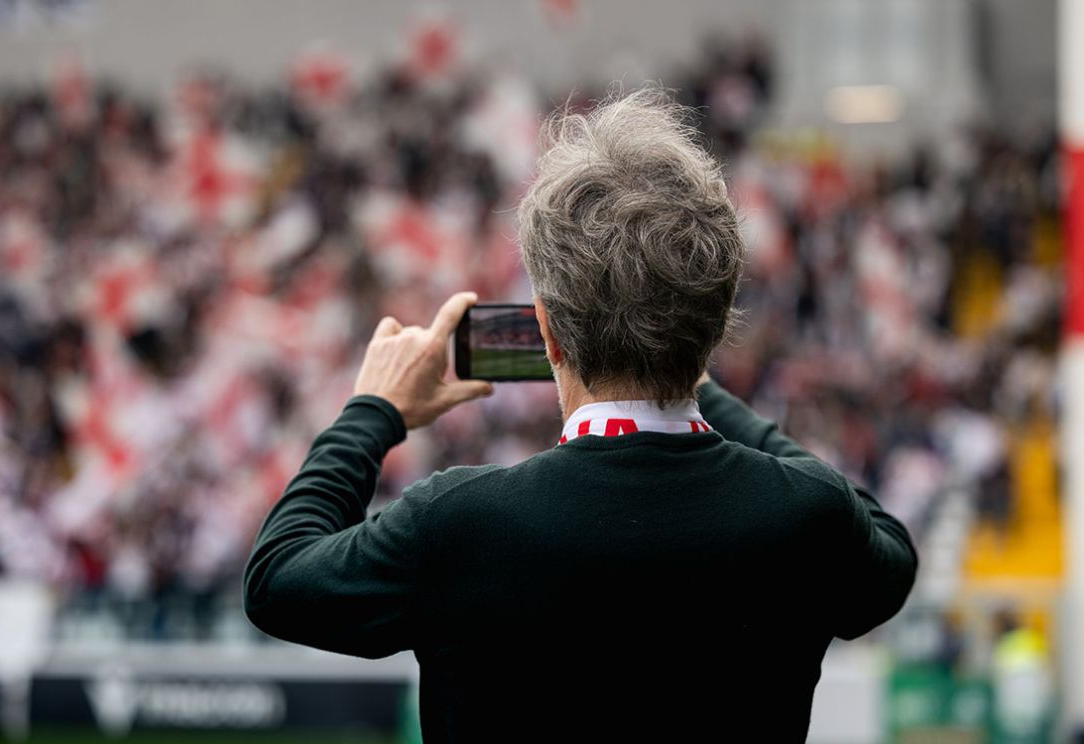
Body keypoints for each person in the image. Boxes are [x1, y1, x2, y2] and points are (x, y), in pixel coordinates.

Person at [242, 88, 918, 742]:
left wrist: (373, 411)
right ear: (716, 325)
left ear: (548, 332)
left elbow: (276, 578)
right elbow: (888, 550)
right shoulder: (807, 515)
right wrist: (699, 381)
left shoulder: (458, 523)